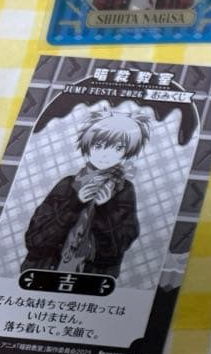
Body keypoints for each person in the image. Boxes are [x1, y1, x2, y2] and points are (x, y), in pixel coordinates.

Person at [21, 109, 151, 278]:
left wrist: (104, 210)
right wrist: (75, 203)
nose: (105, 154)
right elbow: (35, 241)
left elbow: (115, 251)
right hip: (44, 272)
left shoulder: (123, 190)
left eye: (118, 148)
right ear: (88, 145)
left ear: (127, 151)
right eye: (98, 145)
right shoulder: (67, 185)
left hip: (91, 278)